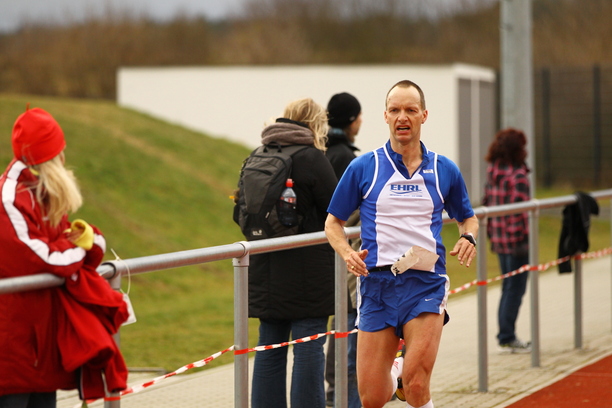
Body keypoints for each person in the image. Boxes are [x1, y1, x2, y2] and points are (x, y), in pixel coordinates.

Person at [325, 80, 478, 408]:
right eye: (395, 110)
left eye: (410, 109)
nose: (402, 117)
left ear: (424, 115)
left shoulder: (443, 169)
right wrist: (347, 253)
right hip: (376, 285)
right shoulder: (364, 167)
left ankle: (405, 373)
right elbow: (332, 223)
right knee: (372, 397)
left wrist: (468, 237)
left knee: (417, 384)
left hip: (425, 283)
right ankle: (397, 370)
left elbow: (468, 217)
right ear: (385, 116)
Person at [0, 107, 129, 407]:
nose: (64, 157)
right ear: (50, 156)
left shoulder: (41, 191)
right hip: (13, 346)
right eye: (60, 150)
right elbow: (40, 258)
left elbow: (74, 247)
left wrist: (87, 240)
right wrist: (82, 247)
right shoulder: (10, 199)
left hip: (41, 343)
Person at [248, 98, 338, 408]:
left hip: (265, 265)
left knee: (269, 347)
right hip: (308, 271)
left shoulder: (259, 154)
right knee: (308, 346)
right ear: (316, 123)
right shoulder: (312, 158)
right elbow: (336, 208)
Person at [323, 92, 362, 408]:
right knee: (349, 326)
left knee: (339, 324)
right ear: (351, 120)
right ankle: (344, 396)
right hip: (345, 253)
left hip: (326, 252)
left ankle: (335, 392)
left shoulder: (321, 152)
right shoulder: (347, 159)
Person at [482, 128, 532, 353]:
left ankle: (506, 335)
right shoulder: (518, 176)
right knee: (515, 289)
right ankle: (507, 336)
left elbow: (487, 201)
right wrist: (519, 239)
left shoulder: (493, 171)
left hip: (499, 239)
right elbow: (518, 212)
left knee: (508, 287)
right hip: (516, 242)